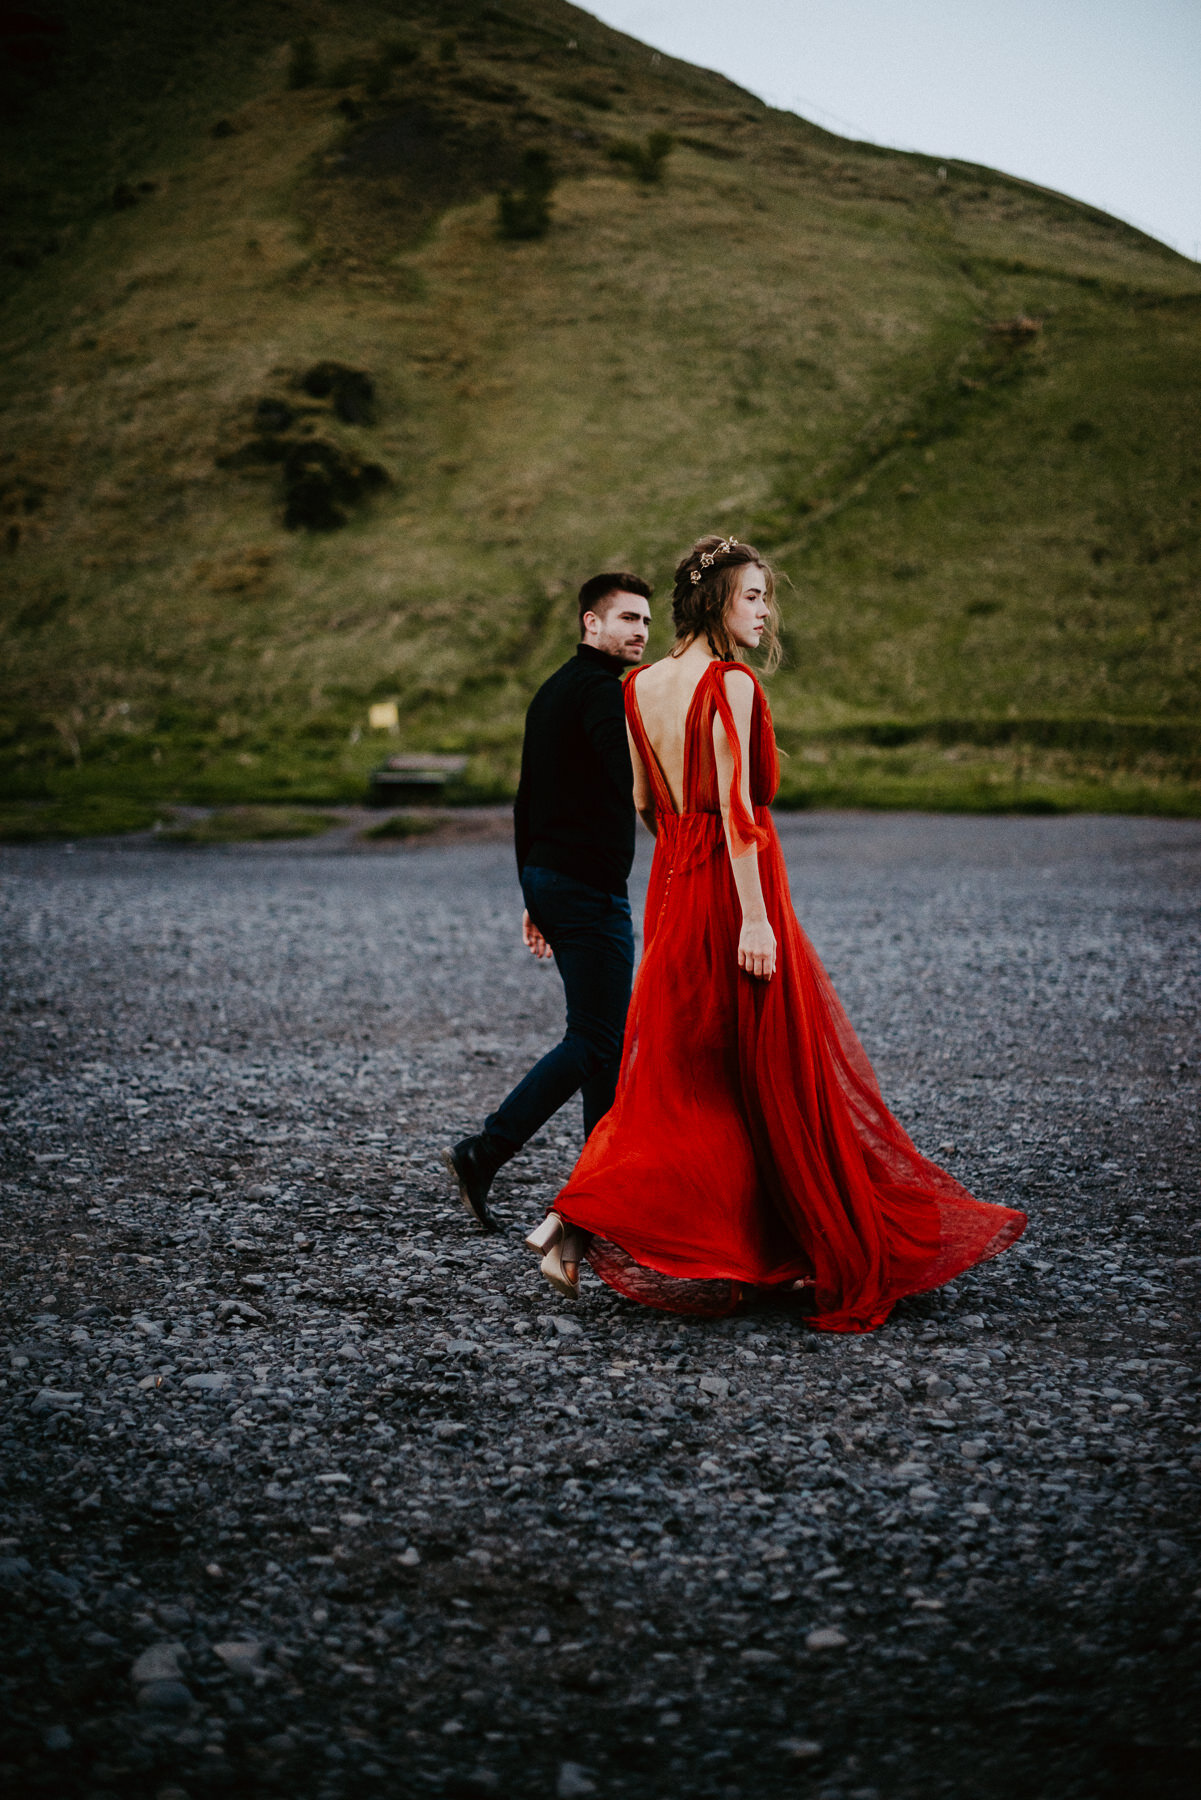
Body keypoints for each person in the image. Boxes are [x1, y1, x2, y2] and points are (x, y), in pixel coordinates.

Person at [524, 534, 1026, 1328]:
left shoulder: (640, 685)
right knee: (770, 1074)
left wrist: (684, 881)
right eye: (752, 595)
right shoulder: (732, 686)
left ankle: (581, 1217)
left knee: (677, 1074)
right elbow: (739, 818)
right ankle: (769, 1239)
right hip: (734, 895)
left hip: (674, 888)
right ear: (717, 599)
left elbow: (651, 808)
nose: (765, 611)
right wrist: (754, 919)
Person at [444, 572, 653, 1230]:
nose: (639, 632)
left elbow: (525, 799)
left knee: (604, 1040)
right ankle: (487, 1149)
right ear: (590, 624)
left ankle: (602, 1185)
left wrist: (531, 888)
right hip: (585, 886)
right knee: (595, 1039)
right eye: (625, 619)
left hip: (550, 876)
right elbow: (628, 782)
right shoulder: (599, 694)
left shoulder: (553, 690)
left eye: (645, 621)